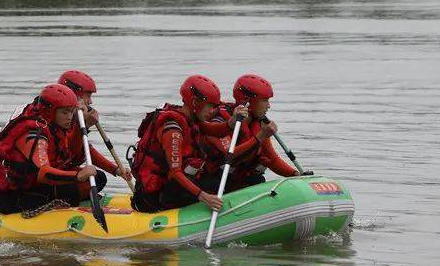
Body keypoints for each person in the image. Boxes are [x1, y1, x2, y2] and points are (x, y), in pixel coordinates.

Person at [0, 83, 115, 214]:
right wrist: (77, 176)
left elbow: (77, 151)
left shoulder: (56, 127)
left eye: (71, 111)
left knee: (99, 178)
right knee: (72, 187)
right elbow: (44, 173)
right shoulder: (34, 135)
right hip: (14, 198)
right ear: (50, 111)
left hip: (35, 187)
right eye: (65, 112)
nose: (70, 117)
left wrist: (115, 169)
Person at [129, 75, 237, 213]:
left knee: (217, 180)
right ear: (195, 102)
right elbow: (175, 172)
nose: (212, 111)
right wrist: (203, 196)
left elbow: (216, 130)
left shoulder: (190, 119)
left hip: (173, 186)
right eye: (210, 106)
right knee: (212, 184)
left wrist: (232, 122)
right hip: (154, 197)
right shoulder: (173, 130)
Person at [204, 74, 303, 192]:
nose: (269, 106)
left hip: (238, 179)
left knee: (256, 178)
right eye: (265, 100)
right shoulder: (220, 121)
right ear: (248, 101)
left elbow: (272, 159)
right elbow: (230, 155)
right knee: (214, 182)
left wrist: (297, 175)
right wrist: (261, 136)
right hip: (214, 181)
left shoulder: (258, 123)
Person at [57, 69, 133, 189]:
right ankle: (55, 201)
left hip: (56, 172)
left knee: (98, 177)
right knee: (97, 179)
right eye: (89, 95)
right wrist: (83, 126)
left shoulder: (67, 116)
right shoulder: (54, 118)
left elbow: (85, 149)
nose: (91, 101)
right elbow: (71, 152)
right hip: (41, 181)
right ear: (76, 96)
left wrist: (116, 169)